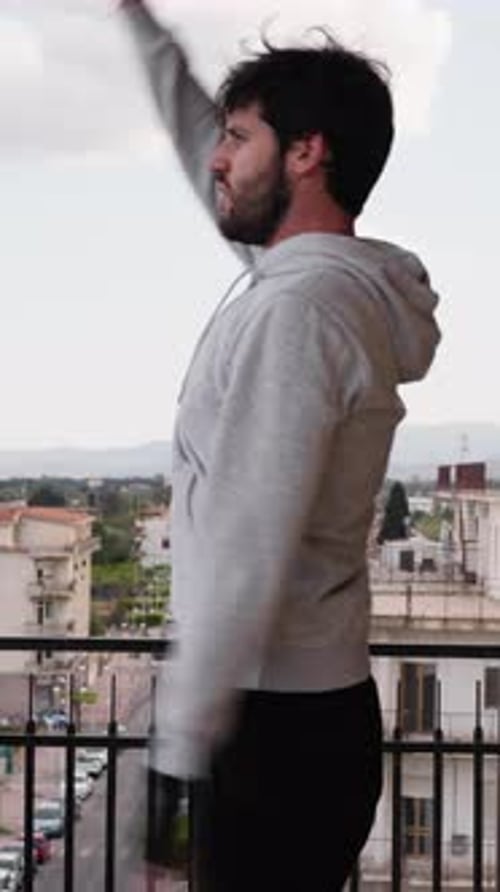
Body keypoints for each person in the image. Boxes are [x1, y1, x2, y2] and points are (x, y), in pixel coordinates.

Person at [119, 2, 441, 889]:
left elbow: (245, 550)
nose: (218, 159)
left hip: (267, 737)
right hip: (296, 718)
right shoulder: (319, 287)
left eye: (239, 137)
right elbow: (216, 173)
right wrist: (137, 25)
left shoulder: (297, 313)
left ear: (307, 153)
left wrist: (173, 783)